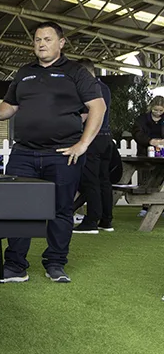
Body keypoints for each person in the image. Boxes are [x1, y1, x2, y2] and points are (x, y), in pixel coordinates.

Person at [0, 21, 106, 284]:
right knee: (16, 207)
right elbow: (10, 107)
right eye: (37, 39)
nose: (41, 44)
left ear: (61, 43)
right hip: (24, 152)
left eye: (48, 39)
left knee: (61, 209)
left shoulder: (76, 72)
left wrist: (82, 145)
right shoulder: (24, 72)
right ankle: (15, 266)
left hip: (62, 153)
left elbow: (98, 107)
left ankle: (56, 263)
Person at [72, 59, 114, 234]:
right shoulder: (105, 87)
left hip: (93, 138)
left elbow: (87, 114)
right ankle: (106, 220)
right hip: (106, 138)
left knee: (91, 181)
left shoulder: (88, 88)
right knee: (104, 180)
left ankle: (91, 221)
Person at [131, 96, 164, 217]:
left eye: (161, 110)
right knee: (145, 180)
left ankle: (160, 207)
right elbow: (137, 133)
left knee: (159, 180)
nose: (158, 113)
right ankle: (144, 207)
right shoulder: (142, 119)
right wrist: (151, 141)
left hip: (162, 154)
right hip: (145, 153)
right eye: (156, 110)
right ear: (151, 107)